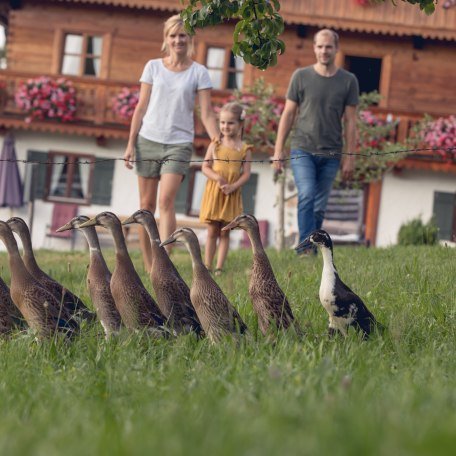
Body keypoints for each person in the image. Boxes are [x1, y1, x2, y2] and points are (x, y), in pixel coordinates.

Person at [123, 14, 219, 271]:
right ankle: (147, 263)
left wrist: (217, 140)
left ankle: (163, 263)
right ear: (166, 39)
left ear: (190, 39)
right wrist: (131, 143)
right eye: (173, 35)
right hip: (148, 140)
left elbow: (207, 113)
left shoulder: (199, 72)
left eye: (183, 35)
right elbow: (140, 107)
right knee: (146, 206)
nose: (178, 40)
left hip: (179, 143)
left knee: (166, 201)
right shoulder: (153, 67)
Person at [272, 28, 359, 255]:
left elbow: (350, 121)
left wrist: (350, 157)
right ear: (314, 48)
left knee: (319, 206)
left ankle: (314, 247)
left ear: (336, 49)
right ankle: (305, 250)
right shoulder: (300, 76)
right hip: (303, 148)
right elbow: (288, 114)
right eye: (320, 46)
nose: (324, 51)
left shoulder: (348, 81)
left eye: (328, 47)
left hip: (331, 153)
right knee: (307, 194)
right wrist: (278, 148)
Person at [199, 102, 252, 275]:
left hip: (232, 193)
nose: (225, 126)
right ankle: (207, 265)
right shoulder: (215, 145)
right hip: (216, 191)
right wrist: (218, 178)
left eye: (230, 123)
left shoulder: (245, 149)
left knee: (225, 231)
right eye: (222, 122)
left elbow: (246, 174)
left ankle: (219, 267)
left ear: (240, 124)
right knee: (212, 229)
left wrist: (233, 186)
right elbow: (205, 167)